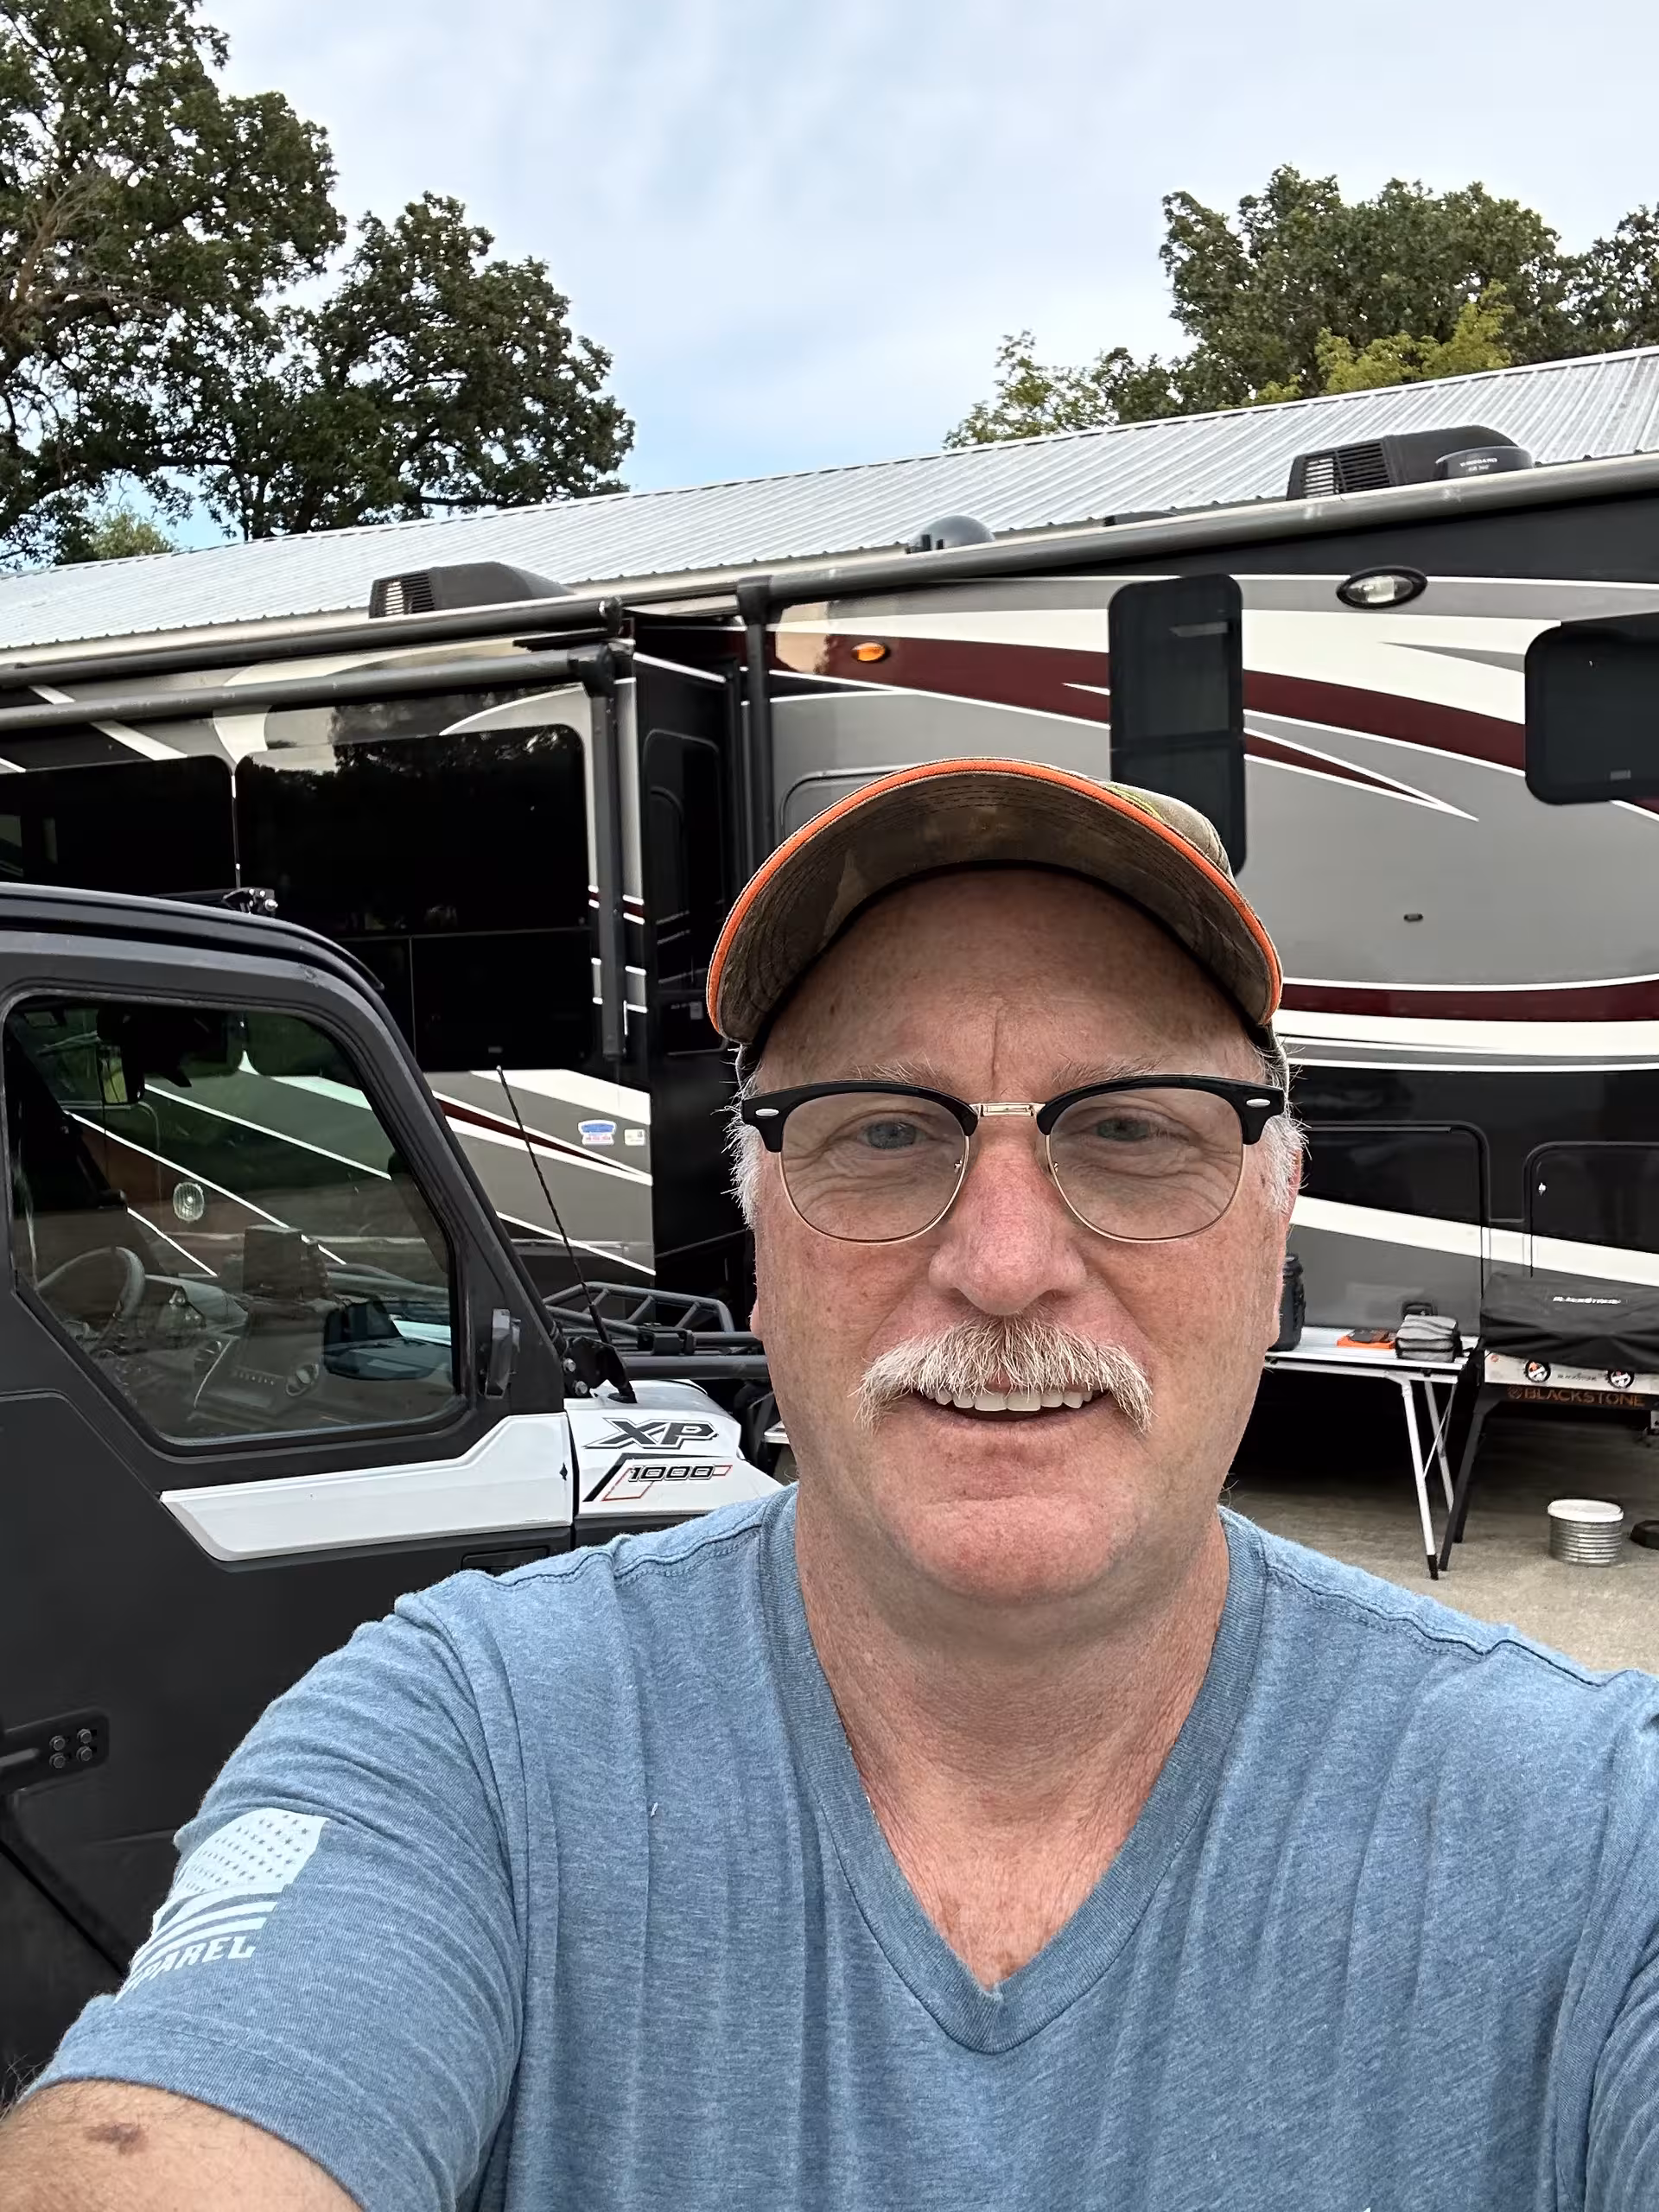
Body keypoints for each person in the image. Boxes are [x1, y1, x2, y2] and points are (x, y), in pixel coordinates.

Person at [3, 757, 1657, 2211]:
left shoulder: (1596, 1837)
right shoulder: (465, 1748)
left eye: (1132, 1130)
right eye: (882, 1132)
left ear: (1274, 1218)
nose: (1003, 1265)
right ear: (760, 1236)